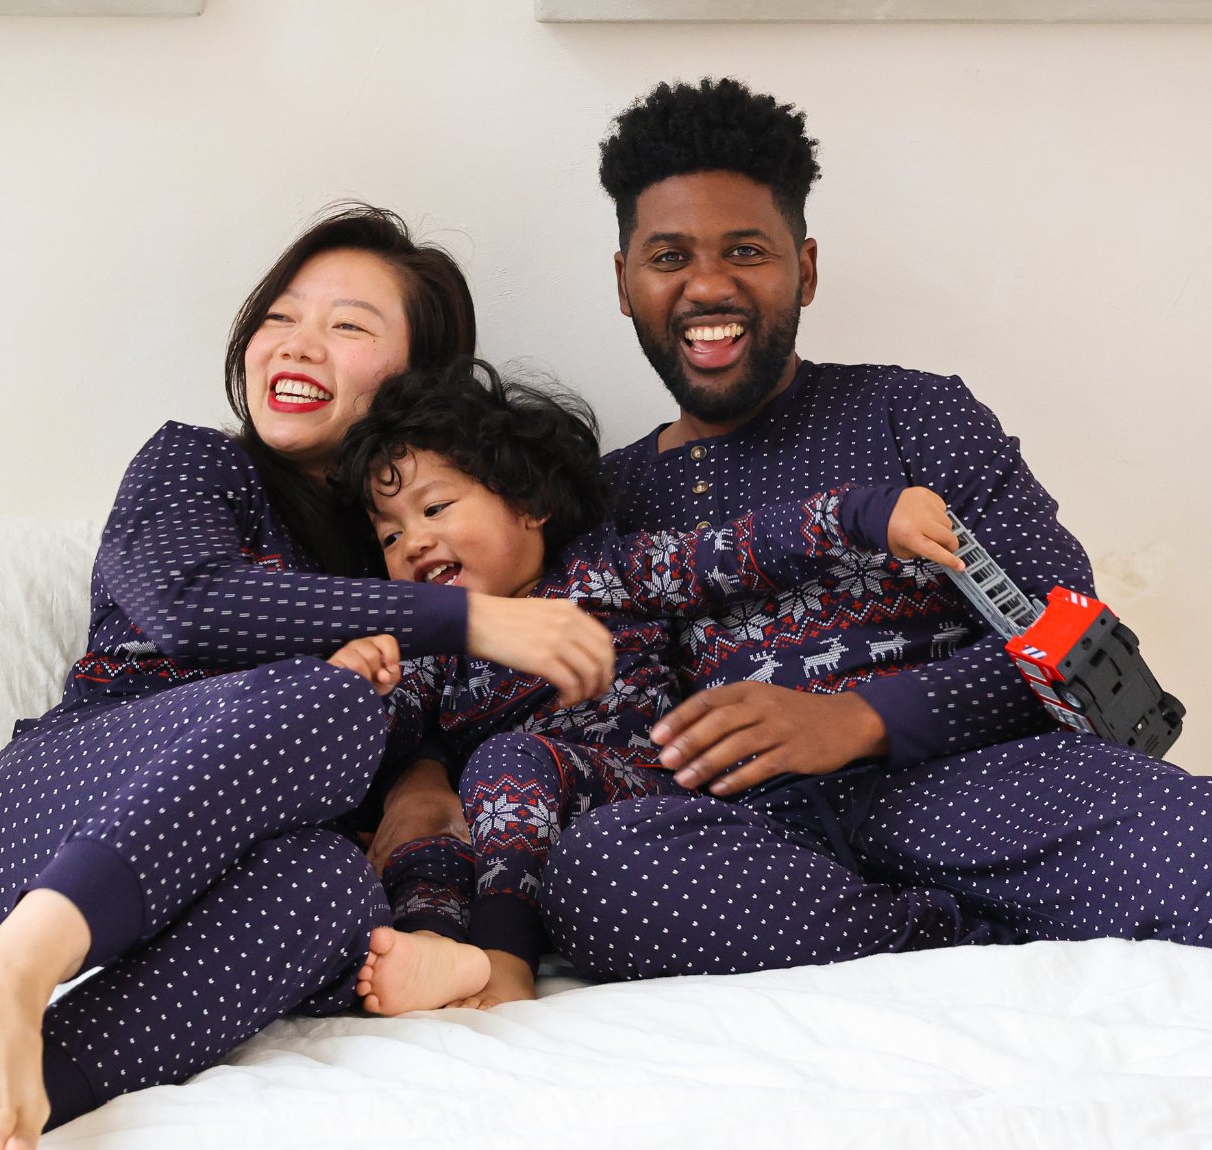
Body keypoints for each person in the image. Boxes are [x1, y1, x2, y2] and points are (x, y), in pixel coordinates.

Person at [0, 206, 615, 1150]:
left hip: (207, 883)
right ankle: (3, 973)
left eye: (349, 325)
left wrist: (424, 778)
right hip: (52, 828)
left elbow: (447, 751)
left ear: (412, 383)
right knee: (328, 694)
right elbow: (188, 598)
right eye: (281, 314)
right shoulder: (196, 469)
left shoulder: (408, 552)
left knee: (331, 890)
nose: (299, 341)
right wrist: (468, 618)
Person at [539, 77, 1212, 982]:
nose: (708, 285)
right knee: (594, 871)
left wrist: (857, 719)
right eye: (668, 257)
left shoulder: (913, 414)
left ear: (804, 268)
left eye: (746, 250)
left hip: (971, 791)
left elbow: (1077, 635)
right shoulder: (598, 498)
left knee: (1210, 835)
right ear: (625, 281)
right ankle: (953, 946)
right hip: (753, 840)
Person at [323, 359, 996, 1014]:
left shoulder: (607, 572)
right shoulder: (438, 640)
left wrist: (867, 513)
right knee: (431, 837)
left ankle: (503, 965)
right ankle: (432, 951)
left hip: (640, 789)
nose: (413, 541)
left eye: (435, 507)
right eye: (390, 534)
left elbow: (738, 551)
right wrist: (358, 683)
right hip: (509, 828)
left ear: (528, 504)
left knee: (506, 759)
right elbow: (388, 730)